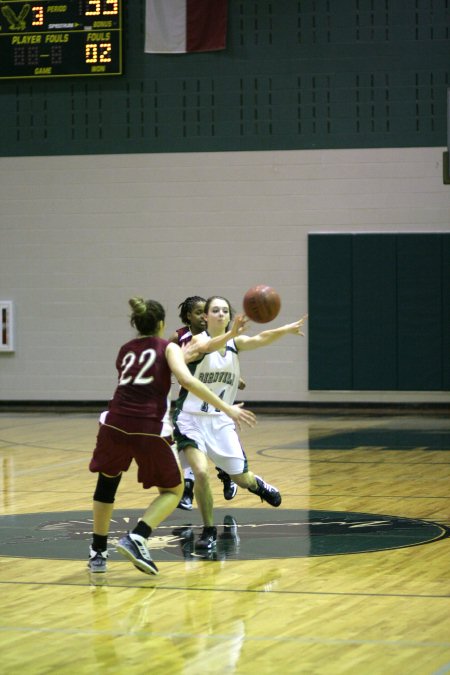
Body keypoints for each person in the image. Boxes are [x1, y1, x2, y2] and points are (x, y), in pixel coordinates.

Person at [87, 296, 256, 576]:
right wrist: (227, 408)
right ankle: (138, 536)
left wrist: (224, 337)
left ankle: (98, 553)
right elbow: (187, 379)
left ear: (136, 324)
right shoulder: (169, 347)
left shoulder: (126, 350)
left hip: (114, 424)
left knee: (106, 486)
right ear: (162, 323)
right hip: (147, 426)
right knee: (174, 491)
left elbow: (181, 356)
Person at [173, 295, 308, 551]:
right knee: (200, 472)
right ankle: (209, 530)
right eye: (215, 310)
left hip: (221, 420)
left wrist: (286, 329)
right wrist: (231, 334)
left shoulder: (235, 343)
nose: (221, 314)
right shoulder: (196, 341)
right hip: (191, 419)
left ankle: (258, 485)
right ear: (205, 317)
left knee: (243, 478)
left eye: (225, 310)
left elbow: (260, 338)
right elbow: (209, 347)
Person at [169, 295, 244, 509]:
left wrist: (237, 377)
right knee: (190, 443)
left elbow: (225, 360)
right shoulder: (179, 337)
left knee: (216, 443)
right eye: (198, 313)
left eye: (206, 312)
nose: (203, 317)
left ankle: (228, 474)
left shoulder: (213, 336)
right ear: (187, 317)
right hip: (191, 395)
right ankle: (188, 490)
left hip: (216, 397)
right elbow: (166, 357)